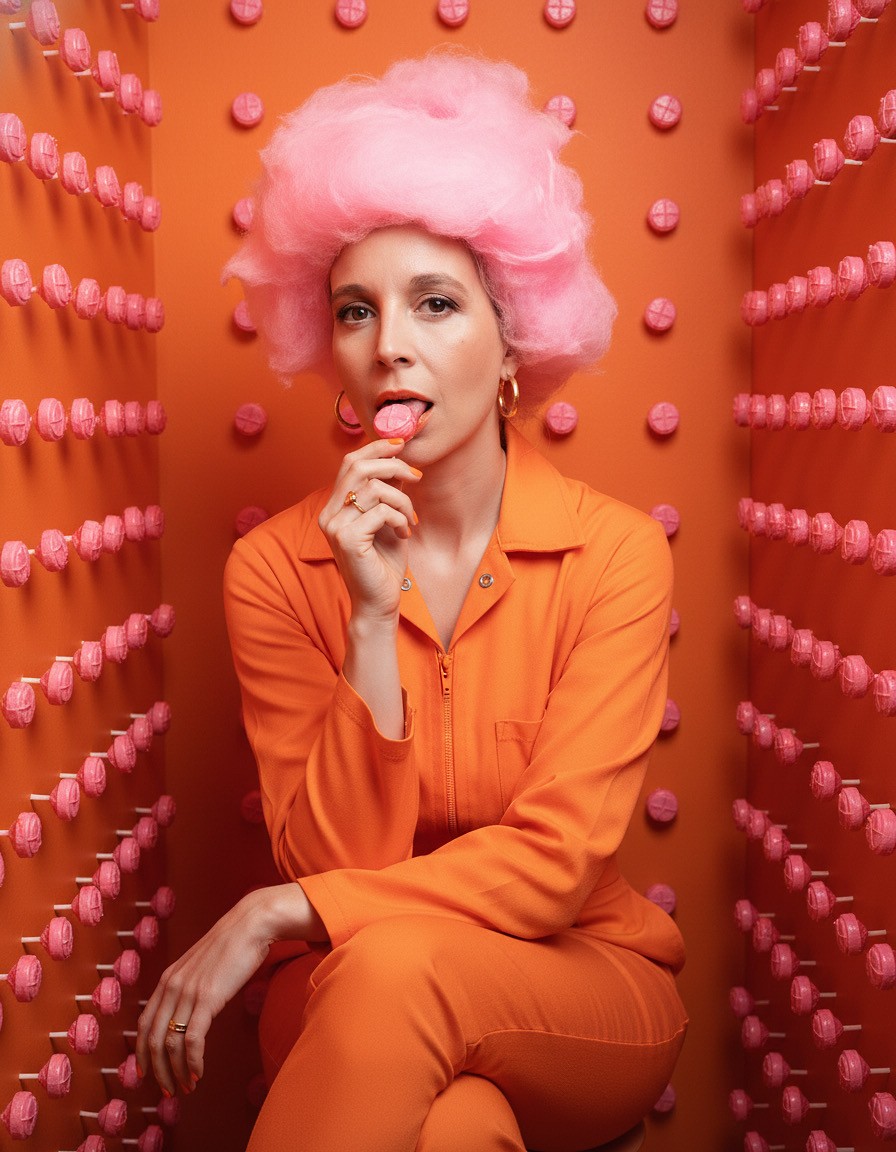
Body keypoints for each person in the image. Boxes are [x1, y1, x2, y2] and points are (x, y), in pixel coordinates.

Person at [136, 50, 688, 1152]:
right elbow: (334, 858)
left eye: (435, 304)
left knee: (394, 965)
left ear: (513, 340)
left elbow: (551, 869)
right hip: (348, 991)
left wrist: (278, 912)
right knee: (453, 1128)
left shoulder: (616, 554)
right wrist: (370, 617)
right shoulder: (275, 571)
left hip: (581, 986)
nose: (389, 345)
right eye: (356, 311)